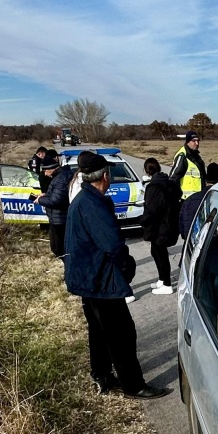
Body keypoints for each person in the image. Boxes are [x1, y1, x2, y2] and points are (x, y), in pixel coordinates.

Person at [63, 151, 170, 399]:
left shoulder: (84, 199)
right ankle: (134, 385)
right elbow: (112, 245)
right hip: (98, 280)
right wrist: (127, 267)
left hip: (87, 278)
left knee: (99, 330)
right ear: (105, 176)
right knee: (121, 333)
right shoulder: (92, 204)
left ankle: (102, 375)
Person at [140, 157, 181, 295]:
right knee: (155, 251)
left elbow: (152, 209)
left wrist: (143, 221)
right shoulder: (170, 183)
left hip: (160, 226)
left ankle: (167, 284)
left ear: (147, 171)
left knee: (161, 254)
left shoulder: (154, 187)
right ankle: (162, 279)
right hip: (169, 223)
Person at [34, 150, 74, 258]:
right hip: (58, 218)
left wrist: (40, 200)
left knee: (60, 249)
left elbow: (56, 201)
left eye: (45, 171)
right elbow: (58, 195)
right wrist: (46, 195)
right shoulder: (60, 177)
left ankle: (69, 266)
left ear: (51, 169)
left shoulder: (60, 179)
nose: (45, 174)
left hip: (60, 219)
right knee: (58, 247)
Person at [179, 162, 218, 240]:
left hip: (190, 243)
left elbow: (182, 228)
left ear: (205, 181)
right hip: (211, 245)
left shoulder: (190, 200)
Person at [170, 131, 206, 200]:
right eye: (194, 141)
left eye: (198, 141)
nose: (197, 143)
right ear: (187, 141)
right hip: (186, 200)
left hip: (198, 198)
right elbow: (173, 178)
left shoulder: (196, 156)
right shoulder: (182, 156)